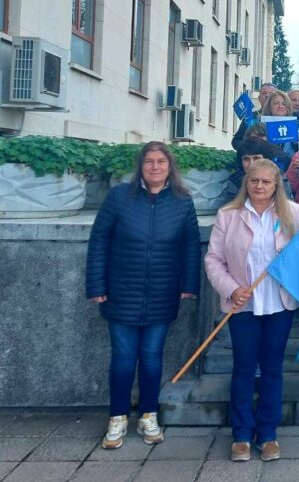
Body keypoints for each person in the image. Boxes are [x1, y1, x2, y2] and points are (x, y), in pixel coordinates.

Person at [86, 142, 201, 450]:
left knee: (151, 358)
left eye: (161, 161)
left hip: (162, 292)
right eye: (149, 161)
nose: (154, 166)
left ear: (169, 166)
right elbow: (99, 240)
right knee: (123, 358)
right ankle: (118, 417)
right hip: (121, 291)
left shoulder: (181, 202)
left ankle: (149, 414)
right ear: (141, 166)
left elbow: (191, 246)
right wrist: (96, 285)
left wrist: (189, 283)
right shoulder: (119, 197)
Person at [205, 159, 299, 462]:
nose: (259, 186)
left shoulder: (294, 213)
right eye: (254, 181)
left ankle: (268, 432)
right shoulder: (228, 215)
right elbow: (213, 260)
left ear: (277, 185)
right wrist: (231, 289)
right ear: (246, 183)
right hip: (243, 304)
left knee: (273, 369)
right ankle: (241, 433)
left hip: (279, 304)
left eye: (266, 182)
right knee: (244, 368)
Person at [231, 83, 277, 151]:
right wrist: (248, 147)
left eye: (271, 94)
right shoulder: (250, 117)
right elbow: (236, 141)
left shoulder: (282, 117)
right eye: (264, 93)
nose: (267, 95)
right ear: (259, 98)